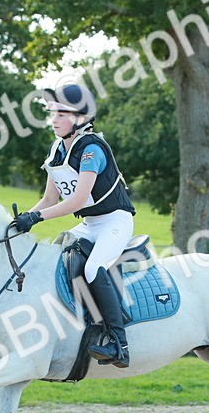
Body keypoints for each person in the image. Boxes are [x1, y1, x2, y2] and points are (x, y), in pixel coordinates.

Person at [12, 82, 136, 368]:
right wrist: (22, 220)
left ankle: (119, 343)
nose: (54, 120)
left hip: (115, 220)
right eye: (52, 114)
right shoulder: (57, 149)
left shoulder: (91, 149)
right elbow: (49, 198)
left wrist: (37, 218)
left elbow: (78, 200)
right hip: (90, 223)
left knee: (93, 268)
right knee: (55, 257)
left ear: (81, 118)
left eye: (61, 114)